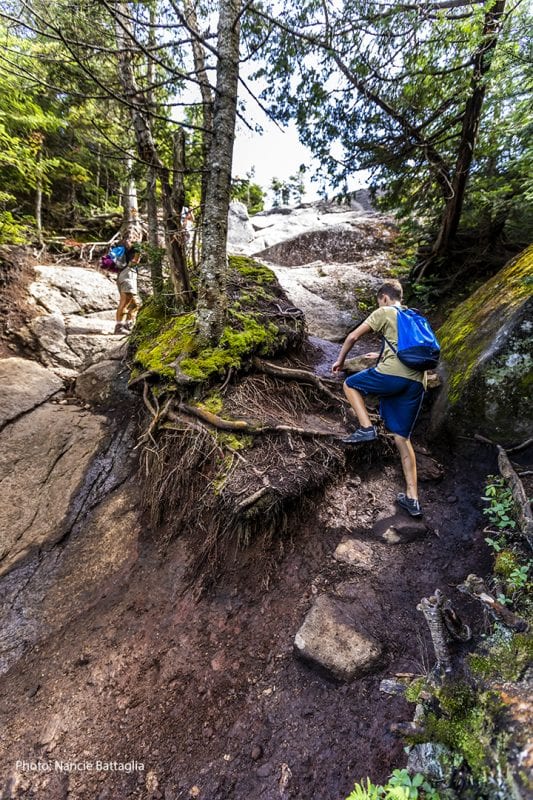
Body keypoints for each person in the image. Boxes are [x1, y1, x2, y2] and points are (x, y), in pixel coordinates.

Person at [332, 279, 427, 517]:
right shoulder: (413, 316)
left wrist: (341, 361)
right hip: (417, 381)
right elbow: (404, 346)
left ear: (384, 297)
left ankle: (366, 427)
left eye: (379, 301)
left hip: (393, 375)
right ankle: (413, 499)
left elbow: (353, 337)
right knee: (402, 438)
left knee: (350, 384)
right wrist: (382, 352)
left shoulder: (384, 311)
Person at [115, 239, 141, 334]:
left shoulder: (123, 249)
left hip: (123, 275)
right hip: (128, 276)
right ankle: (119, 327)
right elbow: (135, 261)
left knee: (135, 303)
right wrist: (139, 251)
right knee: (125, 302)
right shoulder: (135, 249)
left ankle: (128, 324)